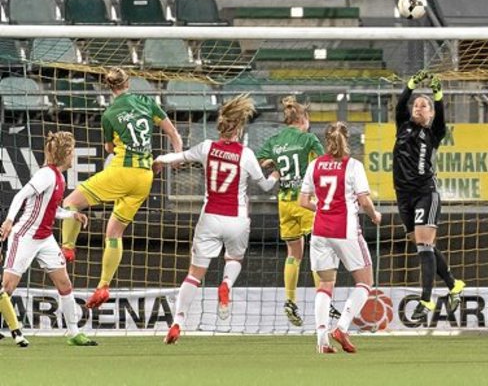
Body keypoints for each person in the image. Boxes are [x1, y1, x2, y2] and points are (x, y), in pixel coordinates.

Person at [155, 94, 279, 344]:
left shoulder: (207, 147)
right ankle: (226, 285)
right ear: (239, 128)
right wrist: (276, 172)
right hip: (237, 220)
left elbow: (179, 157)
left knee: (193, 275)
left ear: (220, 127)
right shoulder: (246, 154)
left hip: (210, 217)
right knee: (234, 258)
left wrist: (159, 160)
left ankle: (178, 321)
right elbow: (266, 186)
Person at [61, 67, 183, 309]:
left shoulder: (109, 114)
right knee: (114, 234)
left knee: (70, 203)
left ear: (109, 87)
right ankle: (103, 286)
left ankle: (67, 249)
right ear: (128, 83)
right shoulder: (147, 102)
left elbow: (109, 149)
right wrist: (177, 155)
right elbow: (173, 133)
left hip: (122, 171)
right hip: (145, 177)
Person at [0, 132, 97, 346]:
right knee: (6, 288)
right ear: (65, 153)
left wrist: (71, 215)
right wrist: (9, 220)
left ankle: (74, 333)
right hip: (25, 236)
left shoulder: (59, 178)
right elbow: (20, 195)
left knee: (64, 283)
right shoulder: (46, 175)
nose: (73, 156)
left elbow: (51, 209)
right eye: (72, 152)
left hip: (45, 238)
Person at [299, 122, 381, 354]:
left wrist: (323, 208)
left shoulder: (315, 165)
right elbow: (364, 201)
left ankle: (321, 341)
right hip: (345, 231)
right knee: (365, 282)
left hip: (320, 231)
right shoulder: (353, 166)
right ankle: (342, 327)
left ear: (326, 141)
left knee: (325, 285)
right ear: (348, 140)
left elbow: (303, 201)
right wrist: (374, 216)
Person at [257, 96, 339, 326]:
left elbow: (261, 161)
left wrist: (276, 166)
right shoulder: (308, 139)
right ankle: (324, 301)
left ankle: (290, 301)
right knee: (319, 251)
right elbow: (323, 163)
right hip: (305, 201)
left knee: (294, 253)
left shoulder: (274, 140)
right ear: (304, 119)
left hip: (284, 202)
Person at [393, 70, 465, 321]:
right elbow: (400, 105)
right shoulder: (403, 126)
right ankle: (454, 284)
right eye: (416, 104)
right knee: (424, 245)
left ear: (431, 113)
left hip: (425, 193)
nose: (418, 107)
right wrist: (411, 84)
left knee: (424, 245)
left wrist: (437, 94)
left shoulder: (433, 133)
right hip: (403, 196)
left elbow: (442, 116)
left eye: (424, 106)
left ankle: (426, 300)